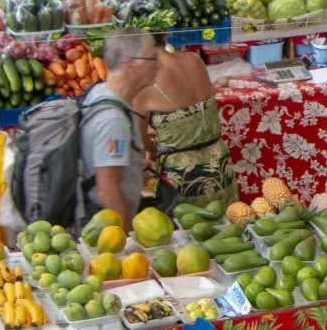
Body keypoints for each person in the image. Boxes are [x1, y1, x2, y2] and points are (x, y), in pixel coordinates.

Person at [99, 28, 238, 214]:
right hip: (220, 163)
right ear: (166, 36)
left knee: (192, 234)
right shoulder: (194, 60)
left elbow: (142, 144)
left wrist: (153, 149)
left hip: (184, 176)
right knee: (227, 231)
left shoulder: (146, 84)